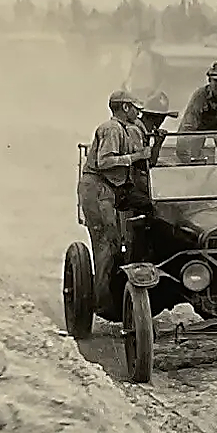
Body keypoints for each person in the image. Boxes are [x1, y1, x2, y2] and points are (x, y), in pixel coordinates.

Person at [78, 91, 150, 315]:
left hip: (112, 188)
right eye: (134, 108)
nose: (138, 113)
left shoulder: (129, 129)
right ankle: (103, 304)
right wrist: (136, 157)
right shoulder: (111, 129)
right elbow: (104, 161)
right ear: (125, 108)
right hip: (97, 188)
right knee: (106, 245)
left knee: (126, 238)